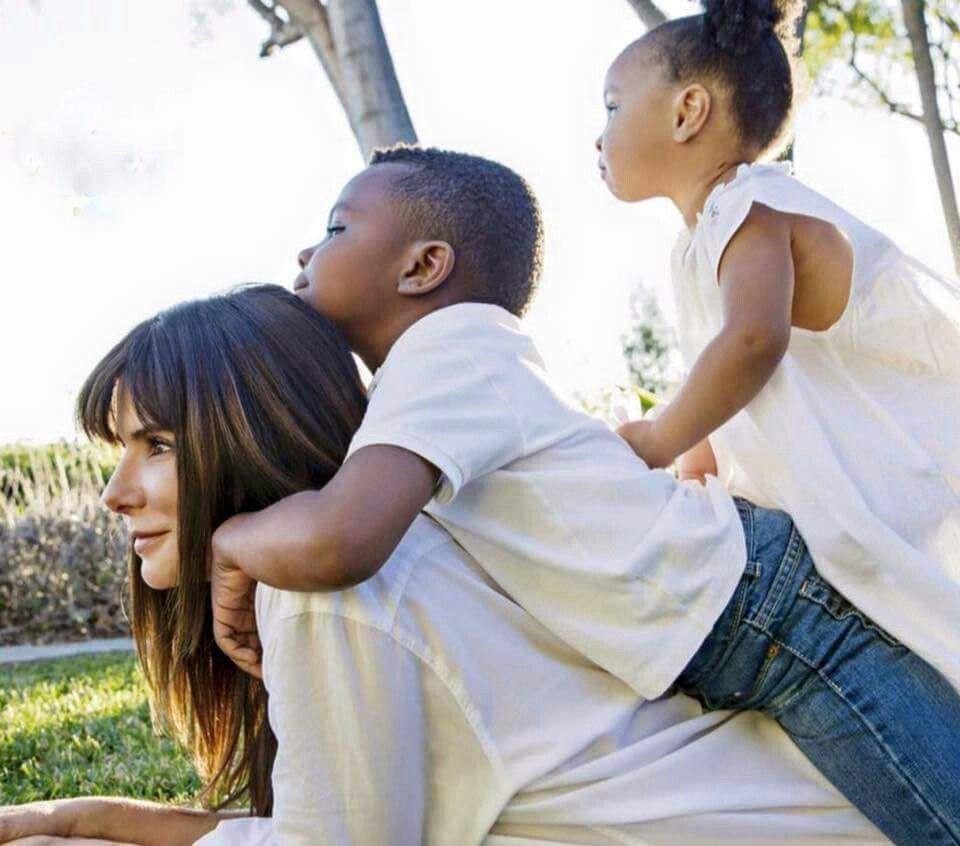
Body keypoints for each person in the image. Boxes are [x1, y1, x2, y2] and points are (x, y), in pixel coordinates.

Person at [207, 149, 960, 843]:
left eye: (336, 228)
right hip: (744, 623)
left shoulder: (447, 350)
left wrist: (228, 543)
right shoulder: (434, 376)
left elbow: (342, 539)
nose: (307, 252)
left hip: (775, 624)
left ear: (425, 266)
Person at [0, 286, 887, 845]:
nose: (116, 491)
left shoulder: (328, 595)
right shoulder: (397, 544)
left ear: (256, 433)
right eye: (119, 448)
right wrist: (82, 818)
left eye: (156, 444)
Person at [599, 0, 960, 699]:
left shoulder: (751, 208)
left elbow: (753, 342)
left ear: (687, 112)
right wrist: (690, 484)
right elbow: (720, 404)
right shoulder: (700, 246)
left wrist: (652, 436)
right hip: (861, 500)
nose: (600, 134)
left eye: (612, 107)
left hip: (899, 480)